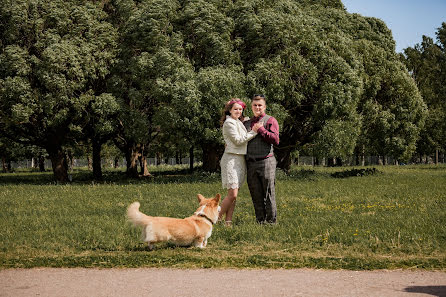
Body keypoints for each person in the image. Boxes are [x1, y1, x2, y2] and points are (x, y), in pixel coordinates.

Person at [219, 99, 263, 226]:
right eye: (235, 109)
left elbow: (243, 124)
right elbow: (238, 140)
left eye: (240, 109)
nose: (238, 111)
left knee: (234, 195)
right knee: (232, 194)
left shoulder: (238, 121)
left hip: (240, 159)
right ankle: (215, 218)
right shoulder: (229, 123)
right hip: (231, 160)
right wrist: (254, 132)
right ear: (229, 110)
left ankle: (228, 222)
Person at [244, 94, 280, 224]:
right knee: (255, 193)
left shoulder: (271, 120)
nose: (257, 107)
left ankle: (271, 222)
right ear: (251, 107)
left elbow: (276, 140)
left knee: (269, 193)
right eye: (255, 105)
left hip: (266, 161)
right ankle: (260, 220)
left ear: (264, 106)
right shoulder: (246, 123)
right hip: (251, 162)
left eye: (260, 105)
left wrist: (261, 130)